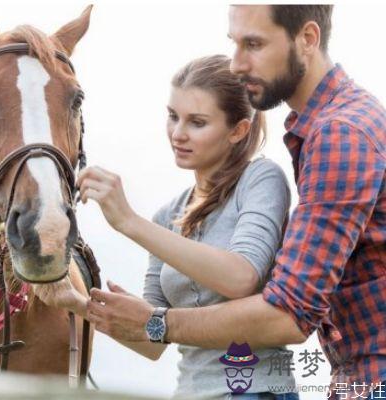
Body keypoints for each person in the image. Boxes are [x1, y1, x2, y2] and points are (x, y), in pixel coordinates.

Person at [79, 5, 385, 398]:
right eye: (234, 43)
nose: (238, 65)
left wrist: (157, 319)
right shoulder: (326, 129)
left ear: (307, 39)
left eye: (254, 44)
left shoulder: (338, 134)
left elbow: (289, 313)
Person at [36, 54, 298, 399]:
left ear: (238, 130)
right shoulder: (168, 215)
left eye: (197, 122)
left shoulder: (260, 179)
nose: (178, 133)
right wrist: (74, 301)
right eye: (173, 117)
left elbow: (241, 277)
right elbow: (152, 338)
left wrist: (128, 221)